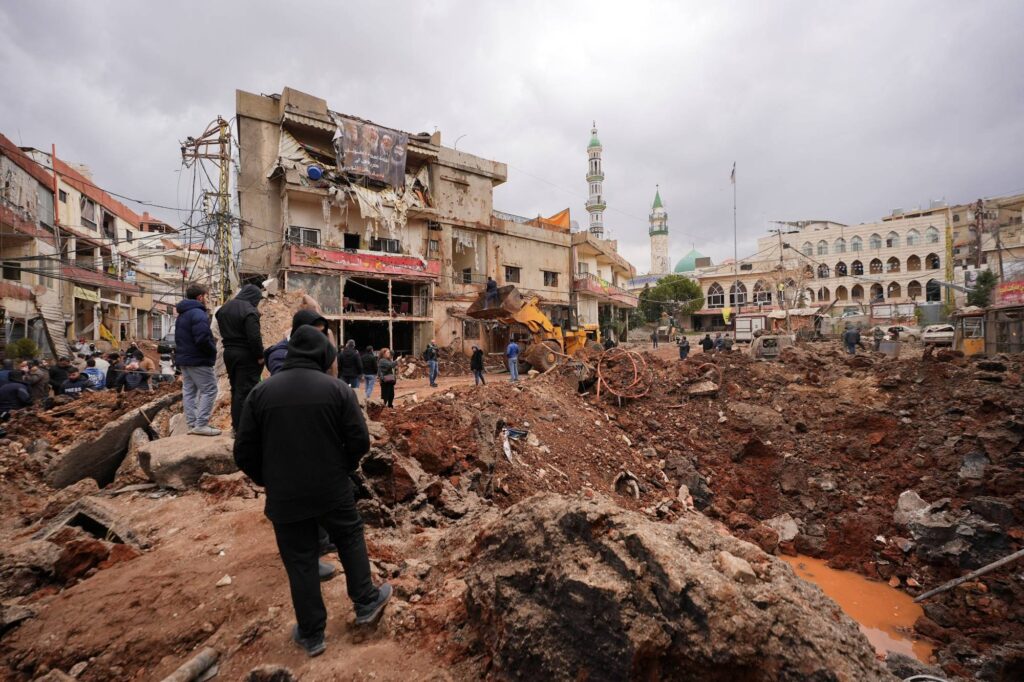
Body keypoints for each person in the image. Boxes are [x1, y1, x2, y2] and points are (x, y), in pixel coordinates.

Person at [233, 326, 392, 657]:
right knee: (349, 537)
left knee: (300, 559)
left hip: (285, 495)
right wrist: (343, 467)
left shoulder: (261, 393)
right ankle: (365, 601)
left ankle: (311, 633)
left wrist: (269, 479)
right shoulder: (337, 390)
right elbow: (359, 441)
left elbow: (244, 452)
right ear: (323, 355)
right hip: (331, 487)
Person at [216, 283, 265, 431]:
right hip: (246, 355)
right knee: (246, 391)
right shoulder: (249, 311)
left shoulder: (224, 309)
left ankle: (236, 426)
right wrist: (260, 356)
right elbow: (254, 337)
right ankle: (243, 429)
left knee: (236, 389)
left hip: (229, 353)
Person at [176, 284, 221, 437]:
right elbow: (202, 338)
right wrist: (212, 350)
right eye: (207, 296)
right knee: (210, 389)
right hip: (198, 359)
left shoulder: (183, 314)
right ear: (200, 297)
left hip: (185, 359)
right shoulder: (198, 313)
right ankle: (201, 425)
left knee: (189, 392)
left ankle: (192, 424)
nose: (208, 299)